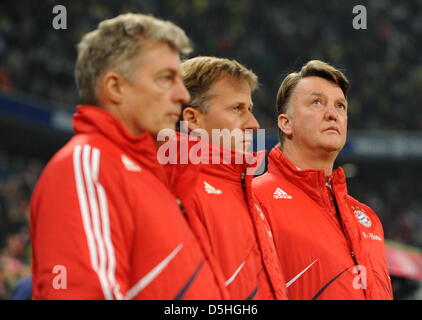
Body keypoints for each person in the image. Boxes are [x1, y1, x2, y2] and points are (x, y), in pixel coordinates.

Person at [30, 13, 228, 300]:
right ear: (115, 87)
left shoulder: (156, 180)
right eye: (166, 79)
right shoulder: (88, 164)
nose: (182, 94)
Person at [252, 60, 393, 299]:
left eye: (340, 106)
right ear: (286, 123)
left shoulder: (367, 217)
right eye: (316, 102)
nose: (332, 114)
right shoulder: (256, 200)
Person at [166, 56, 287, 299]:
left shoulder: (248, 195)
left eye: (250, 110)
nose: (253, 124)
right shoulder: (175, 191)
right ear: (192, 119)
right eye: (237, 109)